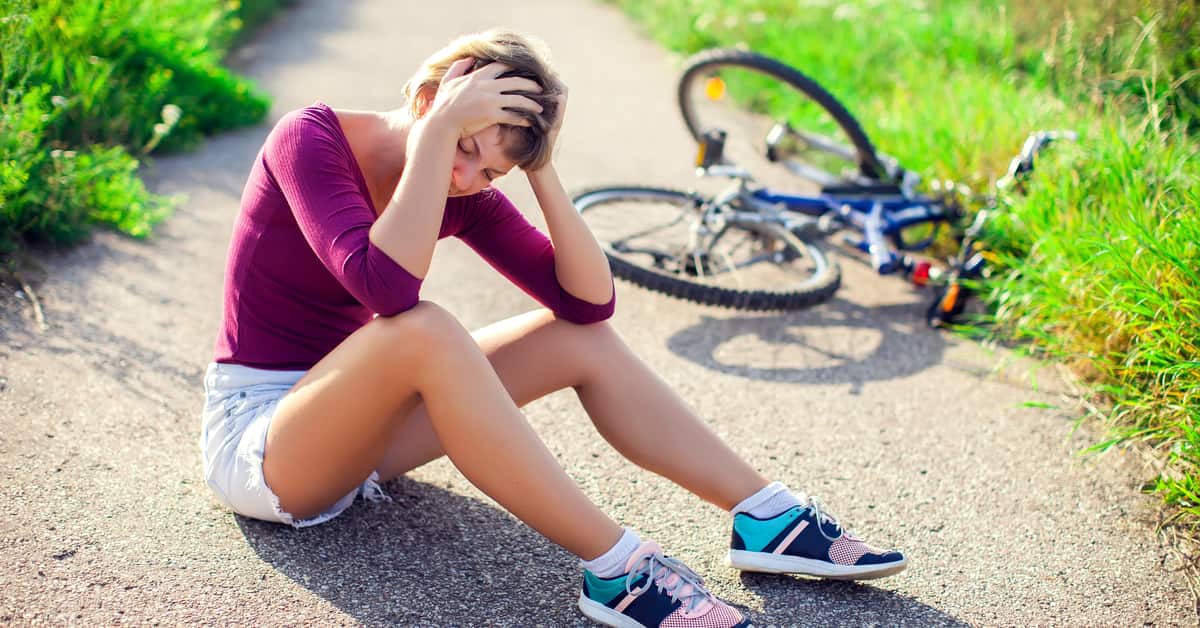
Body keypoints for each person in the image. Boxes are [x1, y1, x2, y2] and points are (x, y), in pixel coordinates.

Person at [197, 29, 906, 627]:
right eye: (463, 146)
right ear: (427, 99)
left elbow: (588, 307)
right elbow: (385, 290)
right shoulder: (311, 139)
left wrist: (541, 174)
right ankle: (619, 570)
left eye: (491, 168)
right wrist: (442, 131)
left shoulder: (463, 190)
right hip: (262, 442)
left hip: (357, 434)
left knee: (575, 341)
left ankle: (767, 518)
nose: (467, 175)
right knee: (423, 328)